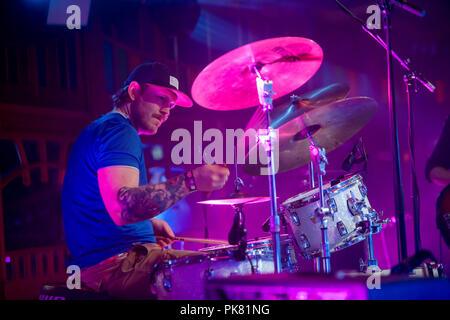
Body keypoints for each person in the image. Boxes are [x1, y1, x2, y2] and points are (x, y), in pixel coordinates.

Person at [61, 62, 230, 299]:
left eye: (170, 106)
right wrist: (192, 181)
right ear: (133, 92)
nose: (166, 111)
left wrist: (148, 226)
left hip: (106, 263)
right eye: (161, 99)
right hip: (118, 267)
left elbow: (101, 207)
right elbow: (123, 207)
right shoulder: (119, 131)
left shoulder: (100, 129)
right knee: (226, 275)